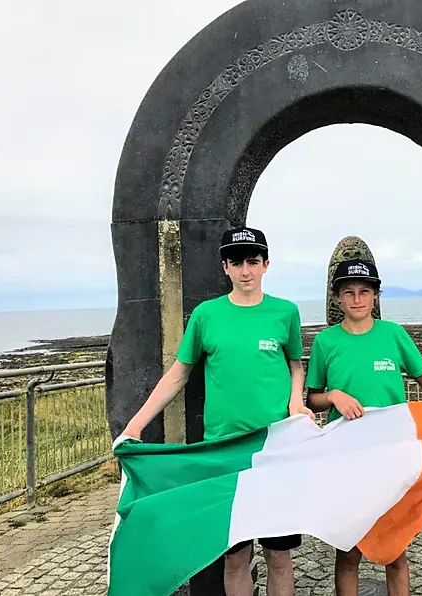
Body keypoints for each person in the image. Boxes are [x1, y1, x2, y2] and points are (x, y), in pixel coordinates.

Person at [122, 226, 312, 596]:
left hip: (275, 449)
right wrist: (135, 425)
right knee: (235, 558)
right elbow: (178, 375)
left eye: (253, 262)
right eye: (237, 262)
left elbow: (295, 365)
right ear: (225, 267)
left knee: (278, 556)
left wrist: (296, 401)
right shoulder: (207, 315)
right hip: (223, 453)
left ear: (266, 265)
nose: (246, 271)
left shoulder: (285, 312)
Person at [305, 258, 422, 596]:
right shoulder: (325, 342)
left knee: (395, 548)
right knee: (348, 550)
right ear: (337, 298)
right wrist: (333, 395)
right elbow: (313, 399)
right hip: (346, 458)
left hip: (393, 456)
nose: (357, 299)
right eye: (349, 293)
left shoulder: (394, 335)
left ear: (376, 296)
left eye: (365, 292)